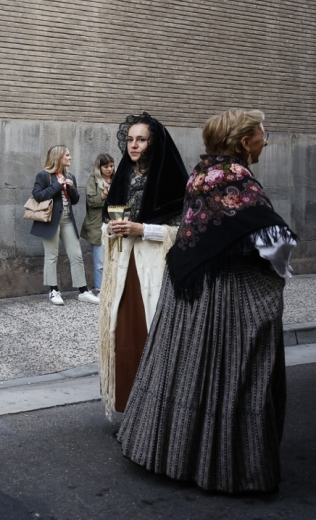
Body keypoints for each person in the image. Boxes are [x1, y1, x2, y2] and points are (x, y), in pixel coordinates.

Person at [119, 109, 294, 493]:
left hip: (187, 286)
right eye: (263, 133)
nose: (268, 139)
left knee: (183, 368)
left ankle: (170, 451)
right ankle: (225, 464)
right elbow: (274, 241)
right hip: (224, 291)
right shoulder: (236, 179)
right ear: (245, 142)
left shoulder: (201, 173)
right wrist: (277, 273)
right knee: (231, 371)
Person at [98, 112, 188, 416]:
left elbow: (185, 233)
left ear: (153, 142)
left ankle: (159, 414)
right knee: (124, 339)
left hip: (157, 271)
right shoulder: (123, 176)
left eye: (141, 139)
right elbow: (108, 220)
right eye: (130, 139)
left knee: (155, 338)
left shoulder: (171, 180)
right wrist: (110, 229)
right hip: (124, 270)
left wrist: (143, 229)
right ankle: (133, 412)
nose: (133, 145)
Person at [30, 145, 99, 306]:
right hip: (51, 221)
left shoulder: (71, 176)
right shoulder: (44, 175)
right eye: (67, 155)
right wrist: (57, 185)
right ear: (59, 157)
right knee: (51, 255)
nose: (70, 157)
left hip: (68, 220)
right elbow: (38, 195)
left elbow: (74, 200)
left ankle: (83, 291)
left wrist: (71, 187)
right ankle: (53, 290)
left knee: (76, 255)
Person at [81, 153, 114, 295]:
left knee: (115, 259)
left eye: (111, 166)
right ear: (99, 167)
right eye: (106, 167)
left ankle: (112, 289)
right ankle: (100, 290)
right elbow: (91, 201)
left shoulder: (117, 179)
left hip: (115, 222)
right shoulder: (93, 180)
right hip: (97, 225)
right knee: (100, 261)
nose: (110, 169)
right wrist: (104, 194)